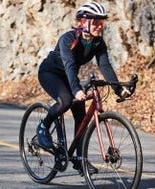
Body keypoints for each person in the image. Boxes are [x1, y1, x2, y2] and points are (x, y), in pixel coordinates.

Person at [36, 2, 130, 176]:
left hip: (69, 77)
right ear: (82, 22)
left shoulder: (98, 43)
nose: (99, 26)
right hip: (50, 73)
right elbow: (70, 64)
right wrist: (76, 90)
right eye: (95, 22)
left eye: (101, 23)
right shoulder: (68, 39)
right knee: (65, 101)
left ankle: (80, 160)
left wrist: (119, 90)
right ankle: (43, 126)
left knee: (81, 115)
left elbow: (106, 66)